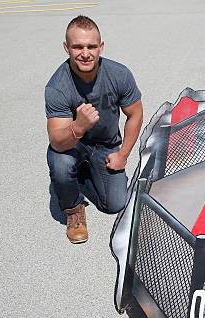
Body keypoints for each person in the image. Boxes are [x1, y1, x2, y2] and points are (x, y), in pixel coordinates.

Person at [45, 15, 143, 244]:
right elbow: (57, 141)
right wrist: (78, 126)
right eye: (77, 46)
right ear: (66, 48)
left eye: (91, 46)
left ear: (101, 47)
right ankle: (73, 208)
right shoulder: (57, 87)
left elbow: (135, 114)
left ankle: (80, 175)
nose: (85, 53)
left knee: (116, 204)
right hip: (73, 146)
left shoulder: (119, 74)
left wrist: (122, 155)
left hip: (106, 145)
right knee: (60, 164)